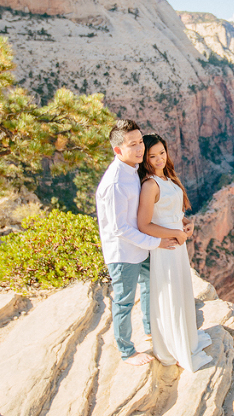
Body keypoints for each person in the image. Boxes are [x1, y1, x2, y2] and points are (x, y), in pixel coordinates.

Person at [96, 120, 177, 366]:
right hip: (123, 253)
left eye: (140, 141)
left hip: (141, 246)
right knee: (123, 300)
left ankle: (150, 329)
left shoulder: (132, 170)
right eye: (133, 145)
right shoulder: (115, 182)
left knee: (150, 286)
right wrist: (156, 242)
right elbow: (119, 228)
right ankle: (126, 351)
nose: (140, 148)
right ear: (118, 150)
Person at [137, 133, 213, 371]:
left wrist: (185, 224)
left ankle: (185, 338)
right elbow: (144, 224)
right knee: (169, 295)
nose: (159, 158)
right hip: (166, 248)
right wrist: (174, 235)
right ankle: (173, 346)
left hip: (177, 246)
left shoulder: (168, 178)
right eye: (153, 156)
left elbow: (172, 214)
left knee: (180, 291)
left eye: (162, 152)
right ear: (145, 159)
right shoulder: (150, 185)